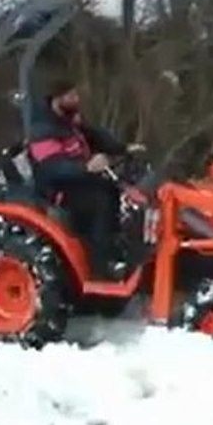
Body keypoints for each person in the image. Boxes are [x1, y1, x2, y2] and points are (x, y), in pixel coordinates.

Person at [27, 78, 143, 279]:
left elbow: (93, 136)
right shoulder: (42, 131)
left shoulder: (66, 120)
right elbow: (54, 168)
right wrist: (86, 167)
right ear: (57, 99)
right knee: (101, 200)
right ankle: (100, 263)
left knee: (116, 189)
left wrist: (121, 148)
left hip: (78, 179)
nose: (76, 99)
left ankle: (117, 244)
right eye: (71, 96)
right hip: (57, 189)